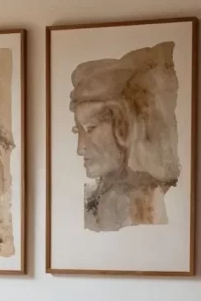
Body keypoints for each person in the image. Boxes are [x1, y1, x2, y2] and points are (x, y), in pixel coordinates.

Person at [70, 41, 179, 232]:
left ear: (124, 125)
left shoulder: (150, 199)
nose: (80, 148)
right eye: (77, 131)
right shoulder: (99, 199)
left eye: (91, 128)